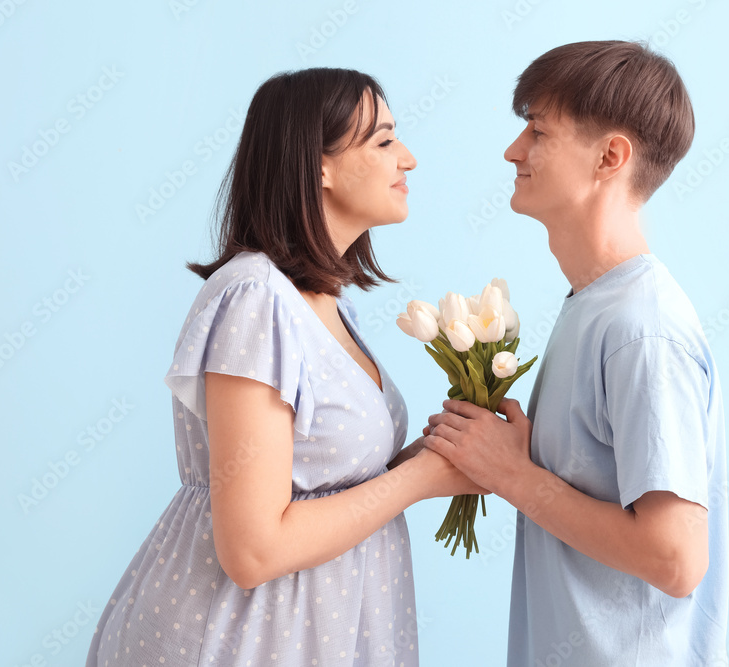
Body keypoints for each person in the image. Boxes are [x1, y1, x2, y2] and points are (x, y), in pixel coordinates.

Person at [85, 67, 484, 667]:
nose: (409, 159)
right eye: (383, 140)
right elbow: (254, 549)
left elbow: (323, 485)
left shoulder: (320, 299)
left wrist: (435, 456)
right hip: (239, 638)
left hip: (311, 629)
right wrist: (420, 481)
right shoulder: (256, 299)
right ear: (317, 165)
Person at [423, 41, 729, 666]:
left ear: (611, 156)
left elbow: (674, 559)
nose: (514, 151)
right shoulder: (593, 306)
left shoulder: (642, 329)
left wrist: (512, 475)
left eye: (537, 131)